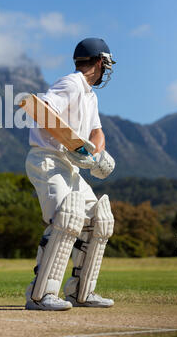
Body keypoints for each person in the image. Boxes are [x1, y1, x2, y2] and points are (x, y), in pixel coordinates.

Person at [24, 37, 116, 311]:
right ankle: (40, 295)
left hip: (70, 166)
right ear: (100, 62)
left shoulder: (90, 94)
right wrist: (71, 143)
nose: (105, 71)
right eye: (105, 66)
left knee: (98, 221)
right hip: (48, 160)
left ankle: (81, 292)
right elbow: (43, 111)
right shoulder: (71, 83)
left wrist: (95, 155)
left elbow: (97, 132)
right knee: (66, 218)